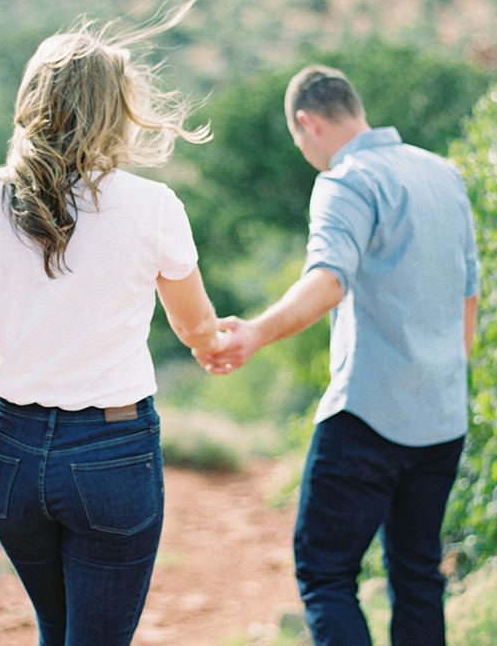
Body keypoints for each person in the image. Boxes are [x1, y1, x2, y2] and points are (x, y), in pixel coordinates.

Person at [0, 5, 225, 646]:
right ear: (112, 113)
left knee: (56, 628)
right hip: (112, 455)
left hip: (9, 454)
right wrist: (222, 341)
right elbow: (195, 327)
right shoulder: (154, 207)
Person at [198, 65, 480, 646]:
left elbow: (329, 279)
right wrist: (447, 377)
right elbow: (468, 292)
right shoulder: (442, 174)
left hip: (366, 417)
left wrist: (253, 333)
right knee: (419, 577)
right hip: (442, 419)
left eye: (300, 141)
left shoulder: (346, 180)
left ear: (308, 123)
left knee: (326, 576)